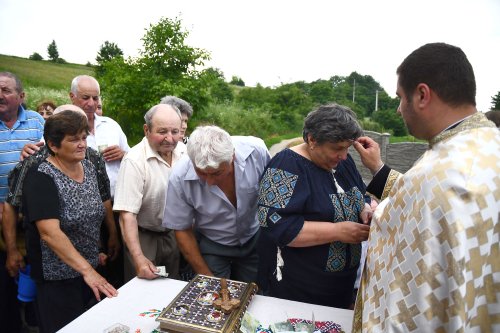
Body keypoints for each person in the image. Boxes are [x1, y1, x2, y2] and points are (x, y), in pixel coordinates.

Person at [352, 43, 500, 332]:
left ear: (422, 95)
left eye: (399, 98)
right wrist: (379, 170)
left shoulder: (438, 171)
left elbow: (410, 296)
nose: (398, 109)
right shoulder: (487, 146)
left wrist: (380, 215)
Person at [256, 104, 371, 309]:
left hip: (339, 287)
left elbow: (360, 194)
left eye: (347, 148)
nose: (344, 155)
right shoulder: (285, 166)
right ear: (312, 140)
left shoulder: (342, 162)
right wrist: (337, 231)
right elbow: (275, 225)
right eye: (337, 148)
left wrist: (365, 208)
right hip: (298, 288)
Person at [22, 110, 118, 333]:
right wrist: (88, 271)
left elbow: (92, 215)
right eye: (73, 139)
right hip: (57, 279)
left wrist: (97, 251)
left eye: (84, 137)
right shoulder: (41, 177)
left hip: (89, 272)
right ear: (54, 146)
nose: (82, 144)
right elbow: (50, 234)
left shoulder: (90, 168)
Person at [163, 125, 270, 283]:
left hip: (253, 237)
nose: (210, 181)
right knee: (214, 298)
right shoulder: (179, 177)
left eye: (217, 173)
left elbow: (271, 199)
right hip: (213, 243)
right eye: (201, 173)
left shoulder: (256, 152)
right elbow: (182, 229)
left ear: (232, 156)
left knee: (257, 292)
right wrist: (208, 279)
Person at [113, 104, 186, 281]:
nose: (170, 139)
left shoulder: (184, 152)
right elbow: (127, 215)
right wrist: (138, 258)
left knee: (172, 288)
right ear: (146, 130)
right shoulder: (134, 160)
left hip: (174, 234)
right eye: (162, 132)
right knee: (144, 288)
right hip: (143, 237)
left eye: (175, 132)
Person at [0, 71, 45, 332]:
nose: (0, 95)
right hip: (2, 220)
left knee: (32, 280)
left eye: (5, 90)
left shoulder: (37, 122)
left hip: (31, 221)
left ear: (21, 96)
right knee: (5, 285)